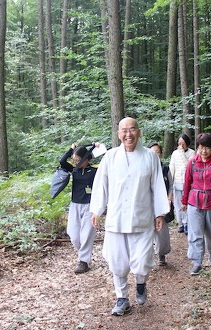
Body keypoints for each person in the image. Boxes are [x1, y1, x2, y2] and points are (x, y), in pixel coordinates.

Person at [90, 117, 170, 316]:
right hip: (116, 220)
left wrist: (159, 212)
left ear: (139, 132)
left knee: (142, 262)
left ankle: (141, 284)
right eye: (124, 130)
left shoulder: (150, 157)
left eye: (132, 129)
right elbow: (101, 184)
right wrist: (96, 210)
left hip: (141, 218)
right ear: (118, 134)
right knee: (117, 262)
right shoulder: (110, 157)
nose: (128, 134)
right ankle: (122, 298)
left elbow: (157, 185)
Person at [181, 133, 211, 275]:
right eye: (201, 147)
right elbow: (187, 183)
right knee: (195, 234)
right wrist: (184, 201)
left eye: (207, 148)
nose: (204, 151)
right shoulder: (192, 162)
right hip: (194, 202)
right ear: (197, 147)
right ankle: (197, 262)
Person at [59, 142, 99, 274]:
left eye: (78, 160)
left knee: (86, 235)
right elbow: (62, 161)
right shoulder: (74, 170)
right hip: (75, 205)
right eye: (74, 160)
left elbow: (106, 160)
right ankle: (84, 255)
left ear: (86, 159)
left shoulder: (95, 171)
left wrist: (96, 146)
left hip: (90, 206)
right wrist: (71, 149)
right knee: (74, 235)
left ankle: (83, 261)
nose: (75, 162)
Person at [147, 142, 173, 266]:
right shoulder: (144, 169)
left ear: (161, 154)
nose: (155, 154)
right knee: (147, 233)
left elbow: (171, 185)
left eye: (157, 152)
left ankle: (162, 254)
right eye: (152, 152)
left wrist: (169, 199)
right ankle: (147, 257)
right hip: (146, 206)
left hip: (162, 206)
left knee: (162, 232)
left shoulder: (165, 169)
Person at [169, 134, 196, 235]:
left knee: (186, 204)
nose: (181, 145)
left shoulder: (192, 153)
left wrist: (181, 153)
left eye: (183, 143)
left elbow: (189, 165)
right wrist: (170, 182)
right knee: (177, 204)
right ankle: (180, 222)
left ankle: (186, 223)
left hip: (187, 183)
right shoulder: (174, 153)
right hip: (176, 182)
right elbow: (172, 167)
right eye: (179, 143)